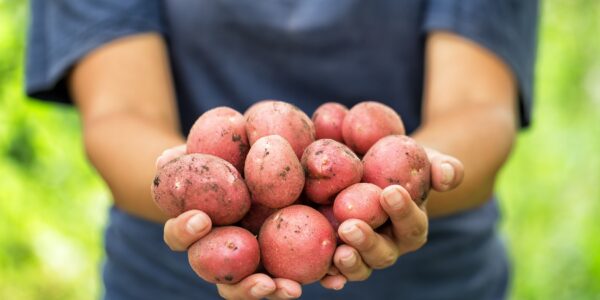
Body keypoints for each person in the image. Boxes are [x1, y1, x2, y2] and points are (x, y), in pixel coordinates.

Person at [26, 1, 538, 299]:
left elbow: (478, 106)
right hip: (171, 282)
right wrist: (189, 184)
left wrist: (410, 182)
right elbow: (119, 116)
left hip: (432, 281)